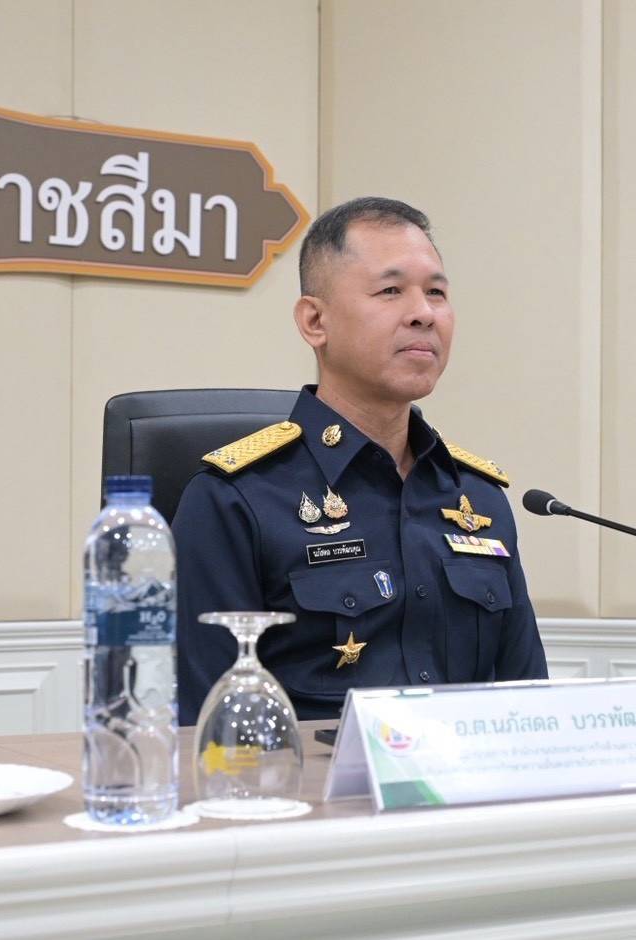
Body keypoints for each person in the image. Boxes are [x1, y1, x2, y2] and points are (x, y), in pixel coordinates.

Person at [173, 196, 547, 725]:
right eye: (391, 291)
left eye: (436, 293)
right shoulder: (236, 498)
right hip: (309, 778)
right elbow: (206, 724)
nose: (423, 313)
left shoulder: (478, 498)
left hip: (467, 776)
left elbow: (528, 703)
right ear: (315, 321)